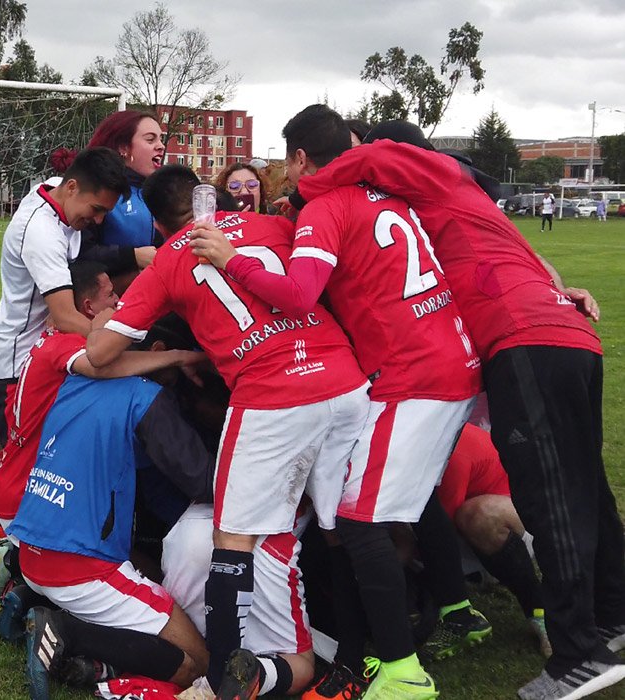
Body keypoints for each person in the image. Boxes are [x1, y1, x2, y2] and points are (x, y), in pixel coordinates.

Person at [309, 124, 625, 700]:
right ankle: (612, 611)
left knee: (548, 496)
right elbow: (538, 269)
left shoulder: (431, 174)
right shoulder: (461, 207)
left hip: (523, 338)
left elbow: (374, 156)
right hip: (562, 334)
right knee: (585, 486)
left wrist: (307, 182)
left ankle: (580, 652)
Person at [190, 106, 483, 700]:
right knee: (392, 505)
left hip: (415, 374)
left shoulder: (327, 205)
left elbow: (299, 295)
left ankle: (401, 671)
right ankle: (405, 633)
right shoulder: (384, 192)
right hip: (449, 358)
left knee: (356, 518)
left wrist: (230, 259)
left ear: (299, 159)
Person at [87, 164, 372, 697]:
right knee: (344, 527)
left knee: (230, 539)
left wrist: (99, 331)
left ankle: (222, 679)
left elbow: (100, 353)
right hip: (345, 381)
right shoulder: (274, 228)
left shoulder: (170, 260)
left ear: (155, 221)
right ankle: (360, 655)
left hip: (273, 394)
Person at [0, 148, 130, 576]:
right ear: (72, 188)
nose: (98, 219)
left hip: (47, 356)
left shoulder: (55, 199)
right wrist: (127, 335)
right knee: (18, 465)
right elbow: (68, 316)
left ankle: (3, 522)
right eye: (96, 209)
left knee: (40, 459)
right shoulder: (42, 232)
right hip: (21, 364)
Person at [5, 323, 217, 699]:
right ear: (159, 350)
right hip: (77, 568)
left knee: (151, 570)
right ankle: (65, 631)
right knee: (198, 660)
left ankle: (35, 602)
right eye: (191, 375)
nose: (190, 384)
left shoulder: (72, 385)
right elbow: (201, 481)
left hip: (32, 551)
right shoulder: (146, 397)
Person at [162, 502, 316, 696]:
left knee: (193, 634)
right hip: (258, 541)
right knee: (302, 665)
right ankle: (252, 674)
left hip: (190, 528)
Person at [437, 422, 551, 657]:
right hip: (463, 537)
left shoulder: (451, 448)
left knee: (478, 515)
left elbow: (438, 534)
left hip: (511, 529)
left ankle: (540, 611)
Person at [78, 110, 165, 280]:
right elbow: (80, 252)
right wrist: (132, 256)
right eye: (150, 139)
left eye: (161, 138)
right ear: (123, 148)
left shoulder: (160, 192)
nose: (160, 145)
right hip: (110, 300)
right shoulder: (96, 191)